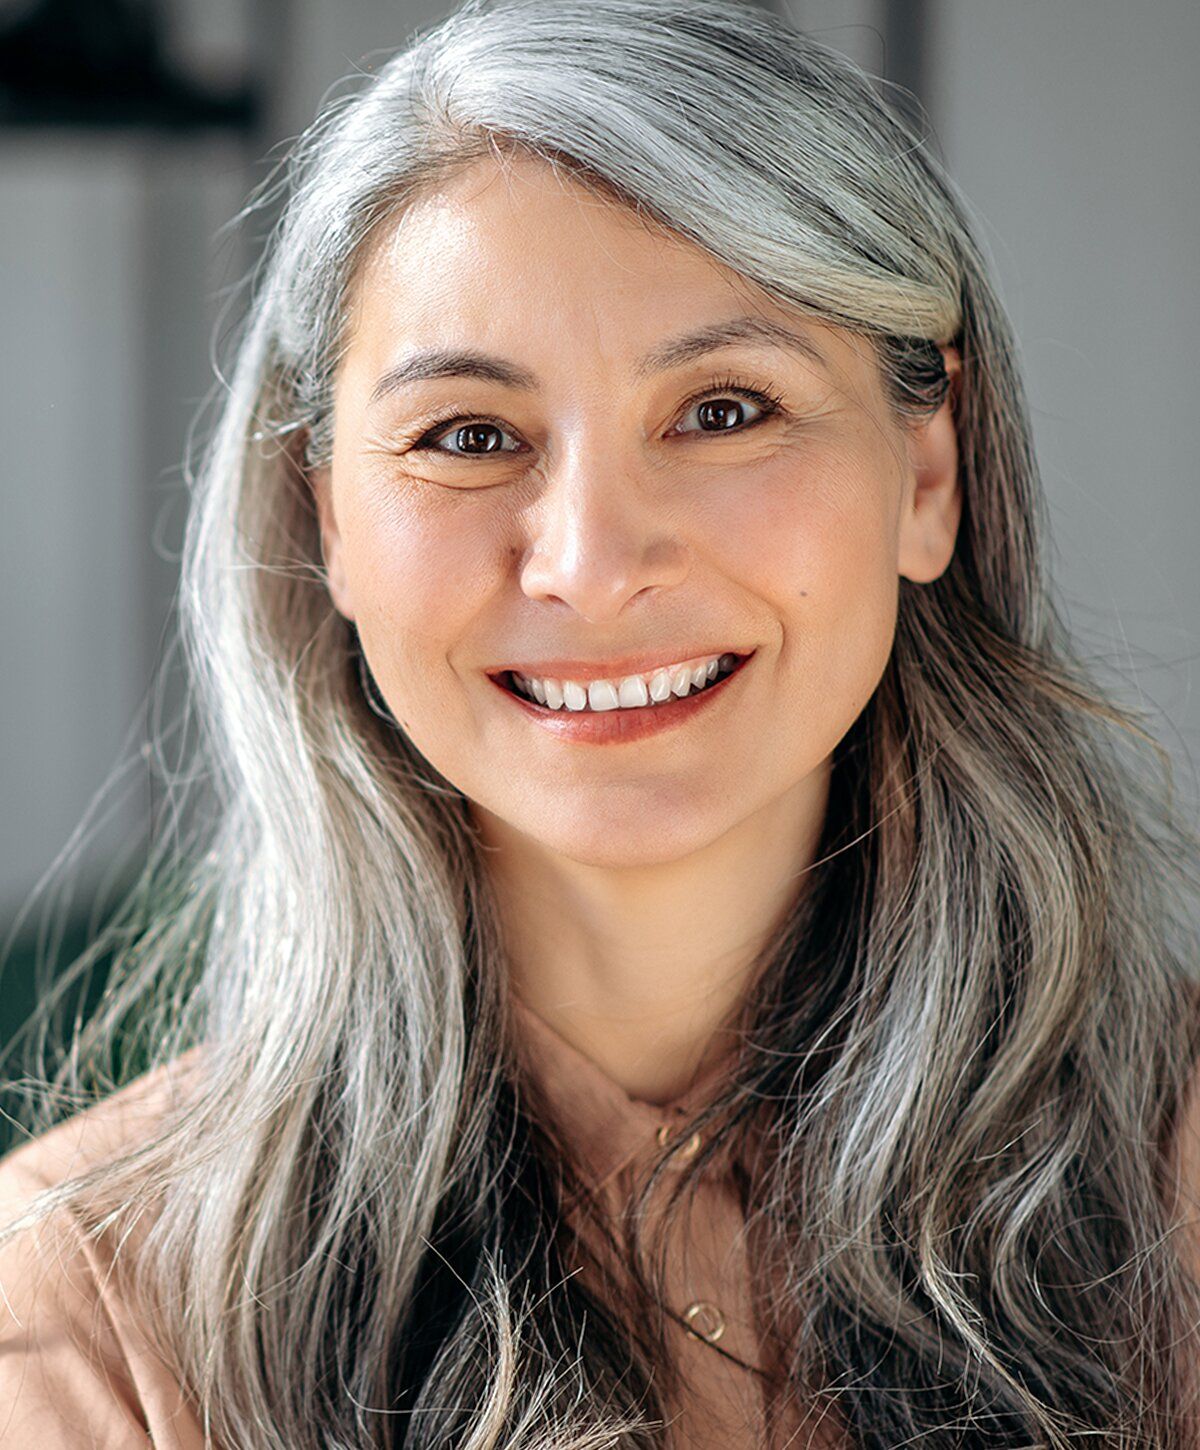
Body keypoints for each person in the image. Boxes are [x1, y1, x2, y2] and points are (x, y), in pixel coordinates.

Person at [2, 0, 1199, 1445]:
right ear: (327, 517)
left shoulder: (1175, 1184)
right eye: (468, 435)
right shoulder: (92, 1309)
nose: (589, 557)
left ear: (928, 469)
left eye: (724, 409)